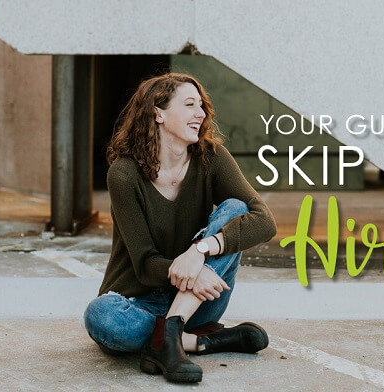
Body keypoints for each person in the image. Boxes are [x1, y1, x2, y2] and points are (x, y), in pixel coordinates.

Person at [83, 73, 277, 383]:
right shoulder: (124, 173)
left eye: (201, 106)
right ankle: (197, 341)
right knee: (100, 316)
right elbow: (146, 265)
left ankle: (172, 329)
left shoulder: (211, 158)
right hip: (139, 302)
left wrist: (201, 250)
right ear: (158, 113)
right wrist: (192, 271)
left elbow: (264, 221)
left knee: (236, 210)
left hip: (197, 304)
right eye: (189, 104)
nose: (200, 113)